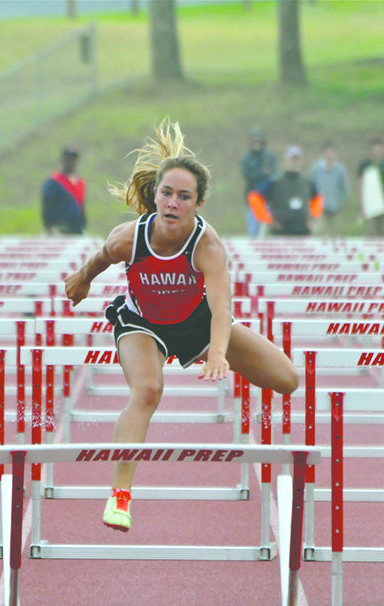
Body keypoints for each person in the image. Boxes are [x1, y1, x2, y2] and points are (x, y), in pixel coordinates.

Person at [64, 121, 299, 532]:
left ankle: (210, 353)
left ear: (199, 203)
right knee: (148, 390)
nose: (173, 203)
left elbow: (222, 307)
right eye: (167, 193)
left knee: (288, 379)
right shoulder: (128, 238)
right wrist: (83, 278)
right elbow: (101, 257)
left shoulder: (207, 246)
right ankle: (120, 495)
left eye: (184, 197)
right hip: (142, 323)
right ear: (155, 195)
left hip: (196, 323)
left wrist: (219, 353)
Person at [248, 145, 323, 237]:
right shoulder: (275, 182)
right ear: (286, 161)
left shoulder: (307, 183)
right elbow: (254, 197)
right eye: (292, 159)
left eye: (297, 159)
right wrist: (267, 219)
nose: (295, 162)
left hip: (303, 233)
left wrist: (313, 218)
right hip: (280, 234)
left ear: (302, 161)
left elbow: (318, 198)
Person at [239, 127, 277, 240]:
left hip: (268, 198)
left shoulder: (269, 157)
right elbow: (246, 175)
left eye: (259, 141)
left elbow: (273, 175)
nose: (257, 144)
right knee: (253, 231)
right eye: (254, 142)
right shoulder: (247, 159)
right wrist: (262, 172)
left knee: (271, 229)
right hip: (252, 198)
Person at [41, 147, 86, 235]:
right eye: (69, 159)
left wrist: (83, 223)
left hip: (76, 230)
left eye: (74, 159)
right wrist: (48, 226)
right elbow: (47, 204)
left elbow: (81, 206)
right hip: (59, 230)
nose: (71, 162)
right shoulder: (54, 182)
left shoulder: (80, 183)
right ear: (63, 160)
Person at [357, 139, 384, 237]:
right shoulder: (365, 165)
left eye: (379, 149)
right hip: (370, 203)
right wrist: (361, 202)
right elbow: (360, 183)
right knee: (371, 231)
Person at [309, 142, 349, 238]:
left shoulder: (340, 170)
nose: (330, 156)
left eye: (332, 153)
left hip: (335, 209)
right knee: (317, 233)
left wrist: (340, 203)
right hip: (319, 210)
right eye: (328, 153)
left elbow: (344, 189)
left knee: (335, 236)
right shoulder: (316, 169)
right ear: (323, 154)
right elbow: (310, 187)